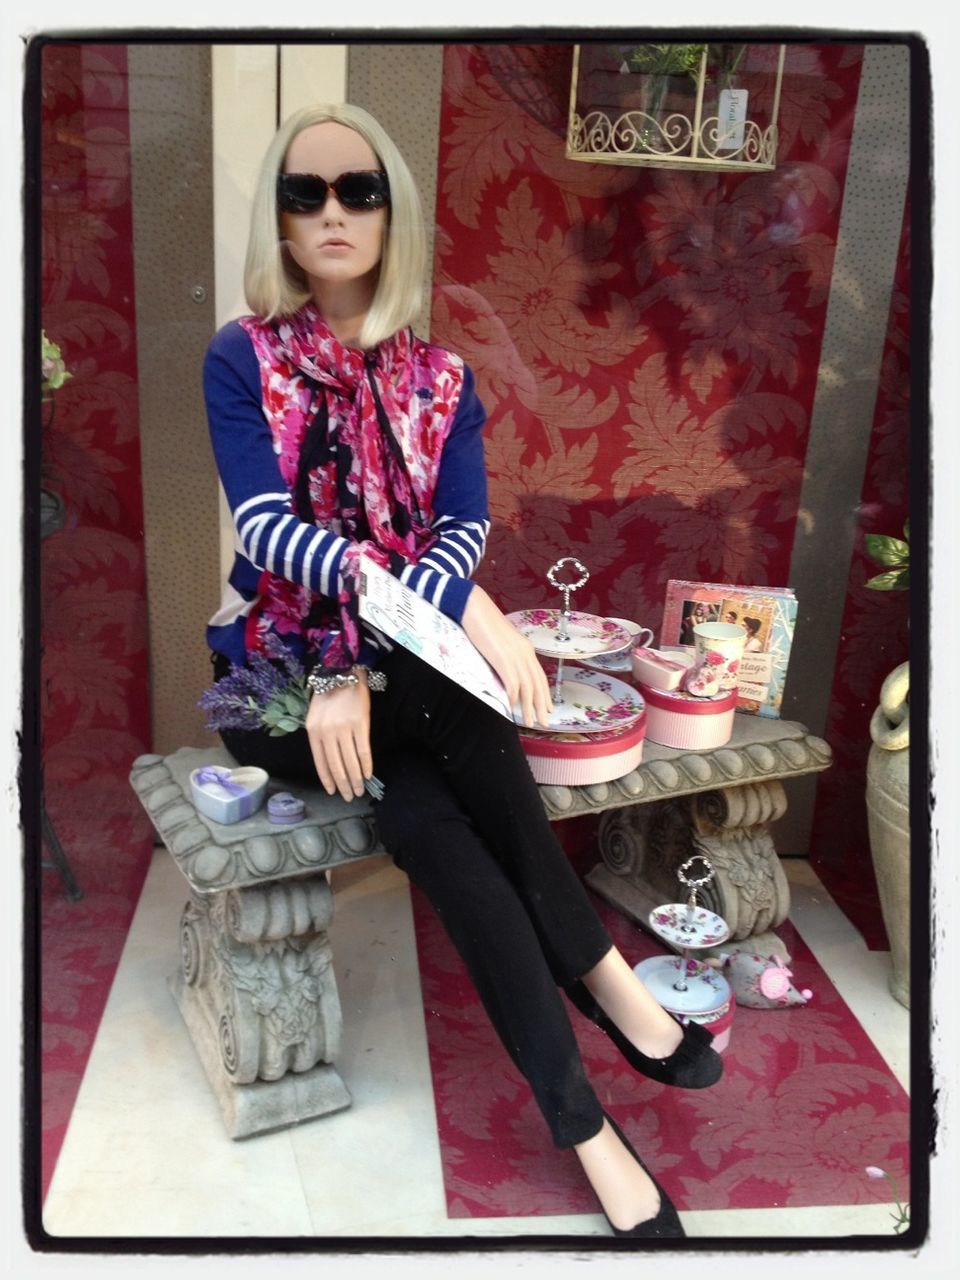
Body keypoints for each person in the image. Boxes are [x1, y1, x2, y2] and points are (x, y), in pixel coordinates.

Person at [201, 103, 722, 1238]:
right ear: (280, 219)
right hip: (276, 687)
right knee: (463, 699)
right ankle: (617, 992)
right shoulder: (241, 356)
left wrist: (404, 629)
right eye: (306, 193)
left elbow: (461, 536)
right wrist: (348, 653)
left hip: (392, 686)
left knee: (442, 822)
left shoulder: (443, 376)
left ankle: (581, 1121)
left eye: (357, 190)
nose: (332, 213)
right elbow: (268, 530)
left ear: (393, 208)